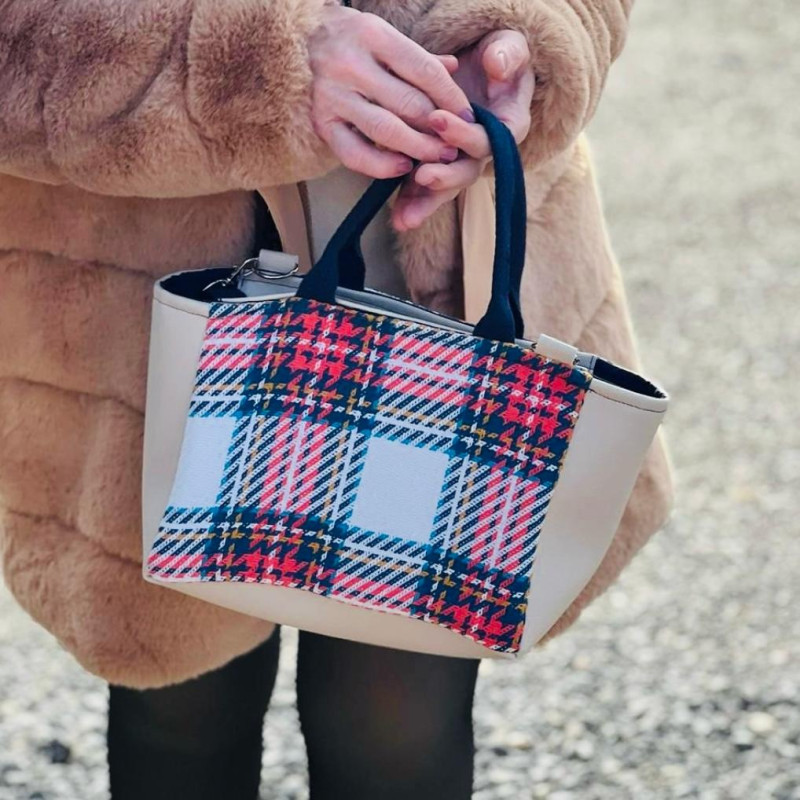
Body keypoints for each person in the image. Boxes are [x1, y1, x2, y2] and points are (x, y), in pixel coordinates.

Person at [0, 1, 673, 798]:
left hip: (434, 222)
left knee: (400, 708)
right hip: (135, 243)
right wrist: (250, 65)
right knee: (177, 694)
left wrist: (527, 43)